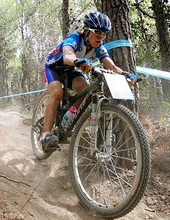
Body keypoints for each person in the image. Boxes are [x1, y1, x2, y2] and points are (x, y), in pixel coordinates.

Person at [42, 11, 140, 152]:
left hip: (71, 70)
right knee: (57, 93)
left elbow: (111, 65)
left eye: (104, 33)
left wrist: (125, 74)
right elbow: (68, 54)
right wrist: (77, 61)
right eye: (98, 32)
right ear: (87, 31)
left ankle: (66, 121)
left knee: (84, 89)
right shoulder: (75, 38)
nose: (101, 37)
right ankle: (46, 135)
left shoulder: (98, 47)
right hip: (54, 68)